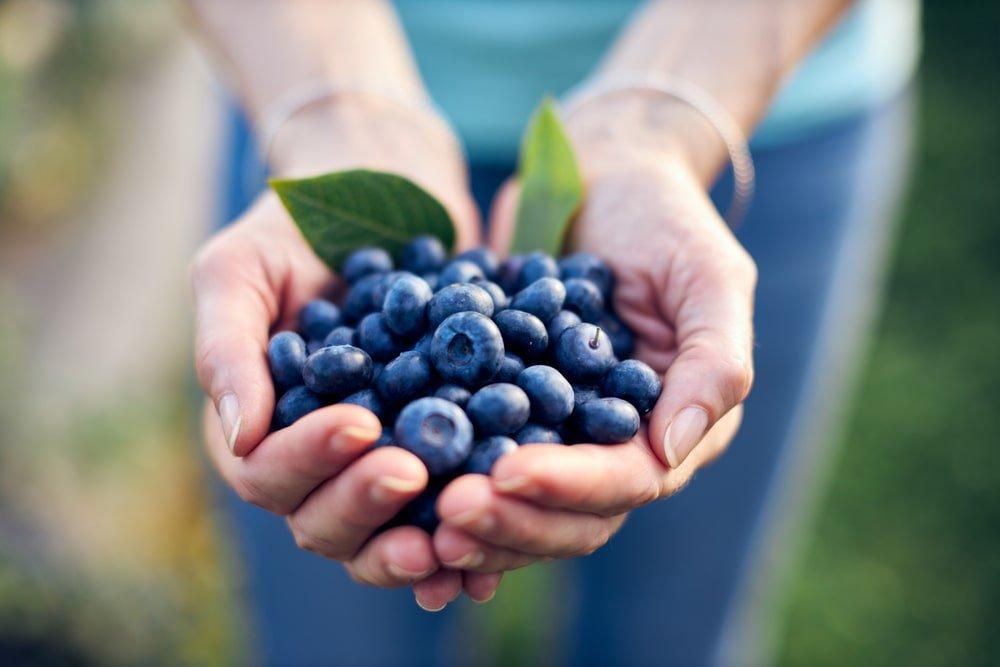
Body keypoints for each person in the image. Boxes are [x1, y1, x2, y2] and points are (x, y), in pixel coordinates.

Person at [186, 0, 917, 664]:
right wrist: (333, 109)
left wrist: (659, 121)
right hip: (303, 74)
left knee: (668, 637)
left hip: (759, 86)